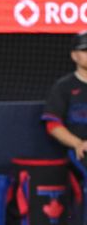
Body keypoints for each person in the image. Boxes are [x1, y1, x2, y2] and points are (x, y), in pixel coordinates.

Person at [43, 30, 87, 159]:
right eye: (85, 50)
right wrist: (78, 144)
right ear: (74, 56)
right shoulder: (64, 87)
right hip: (81, 150)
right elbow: (53, 125)